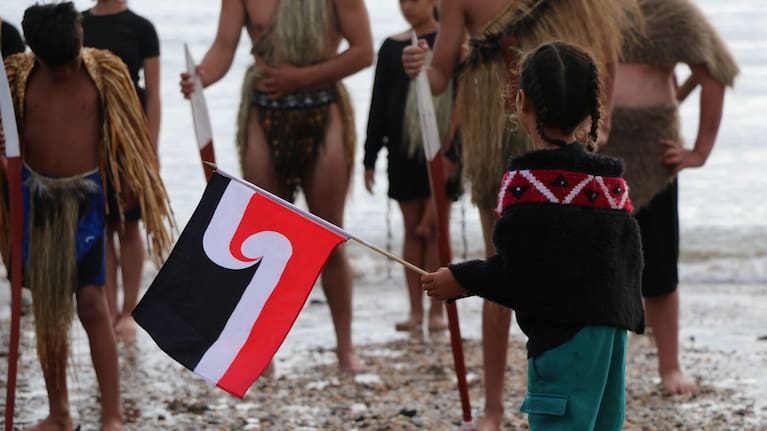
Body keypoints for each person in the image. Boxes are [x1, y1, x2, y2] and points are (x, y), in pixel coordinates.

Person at [402, 1, 640, 428]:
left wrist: (461, 278)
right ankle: (492, 408)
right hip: (609, 330)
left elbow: (515, 273)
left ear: (521, 101)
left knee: (558, 413)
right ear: (591, 106)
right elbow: (629, 255)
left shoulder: (522, 185)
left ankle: (495, 409)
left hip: (559, 340)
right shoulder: (612, 183)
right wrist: (625, 315)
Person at [0, 3, 174, 430]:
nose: (65, 73)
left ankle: (111, 416)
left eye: (71, 62)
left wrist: (135, 176)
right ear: (34, 53)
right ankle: (60, 411)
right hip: (35, 201)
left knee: (93, 303)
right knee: (48, 309)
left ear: (81, 38)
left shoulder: (105, 71)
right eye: (55, 67)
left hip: (87, 201)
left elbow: (130, 129)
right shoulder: (16, 77)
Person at [179, 0, 373, 374]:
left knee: (329, 233)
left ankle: (345, 349)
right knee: (266, 236)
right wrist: (201, 77)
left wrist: (300, 79)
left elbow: (364, 51)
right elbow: (224, 46)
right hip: (263, 108)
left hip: (323, 107)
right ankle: (260, 351)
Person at [599, 0, 738, 395]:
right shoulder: (595, 10)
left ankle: (670, 367)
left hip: (653, 151)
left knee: (659, 267)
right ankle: (602, 366)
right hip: (598, 146)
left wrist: (700, 151)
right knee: (598, 263)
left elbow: (715, 71)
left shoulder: (675, 13)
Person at [363, 0, 457, 333]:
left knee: (433, 229)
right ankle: (415, 310)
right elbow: (378, 103)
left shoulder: (451, 42)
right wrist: (369, 157)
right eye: (402, 0)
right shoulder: (392, 47)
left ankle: (437, 313)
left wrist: (455, 155)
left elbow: (461, 100)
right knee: (411, 228)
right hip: (401, 149)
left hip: (443, 151)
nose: (407, 6)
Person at [81, 0, 162, 343]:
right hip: (88, 134)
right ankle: (107, 307)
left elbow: (155, 95)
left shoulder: (141, 27)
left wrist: (151, 149)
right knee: (102, 225)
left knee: (129, 222)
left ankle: (128, 311)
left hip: (131, 136)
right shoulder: (78, 23)